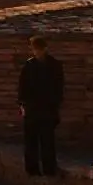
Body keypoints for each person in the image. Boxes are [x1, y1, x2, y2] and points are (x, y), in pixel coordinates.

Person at [18, 35, 64, 176]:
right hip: (32, 108)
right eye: (35, 49)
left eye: (39, 49)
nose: (37, 52)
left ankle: (49, 169)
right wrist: (23, 105)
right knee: (31, 141)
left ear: (45, 49)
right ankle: (32, 170)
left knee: (47, 140)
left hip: (48, 108)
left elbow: (59, 87)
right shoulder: (29, 66)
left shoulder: (55, 66)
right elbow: (22, 87)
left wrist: (55, 105)